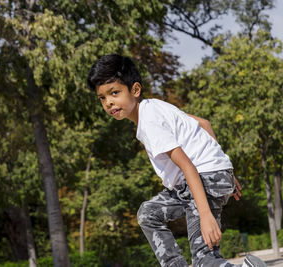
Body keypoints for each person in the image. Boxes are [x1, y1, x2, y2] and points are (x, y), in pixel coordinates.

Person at [87, 54, 266, 267]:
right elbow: (204, 124)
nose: (109, 103)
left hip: (200, 180)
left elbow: (187, 165)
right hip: (208, 177)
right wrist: (224, 170)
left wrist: (205, 214)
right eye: (102, 98)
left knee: (204, 259)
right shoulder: (154, 107)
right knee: (148, 214)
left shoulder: (150, 122)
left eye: (114, 93)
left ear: (135, 90)